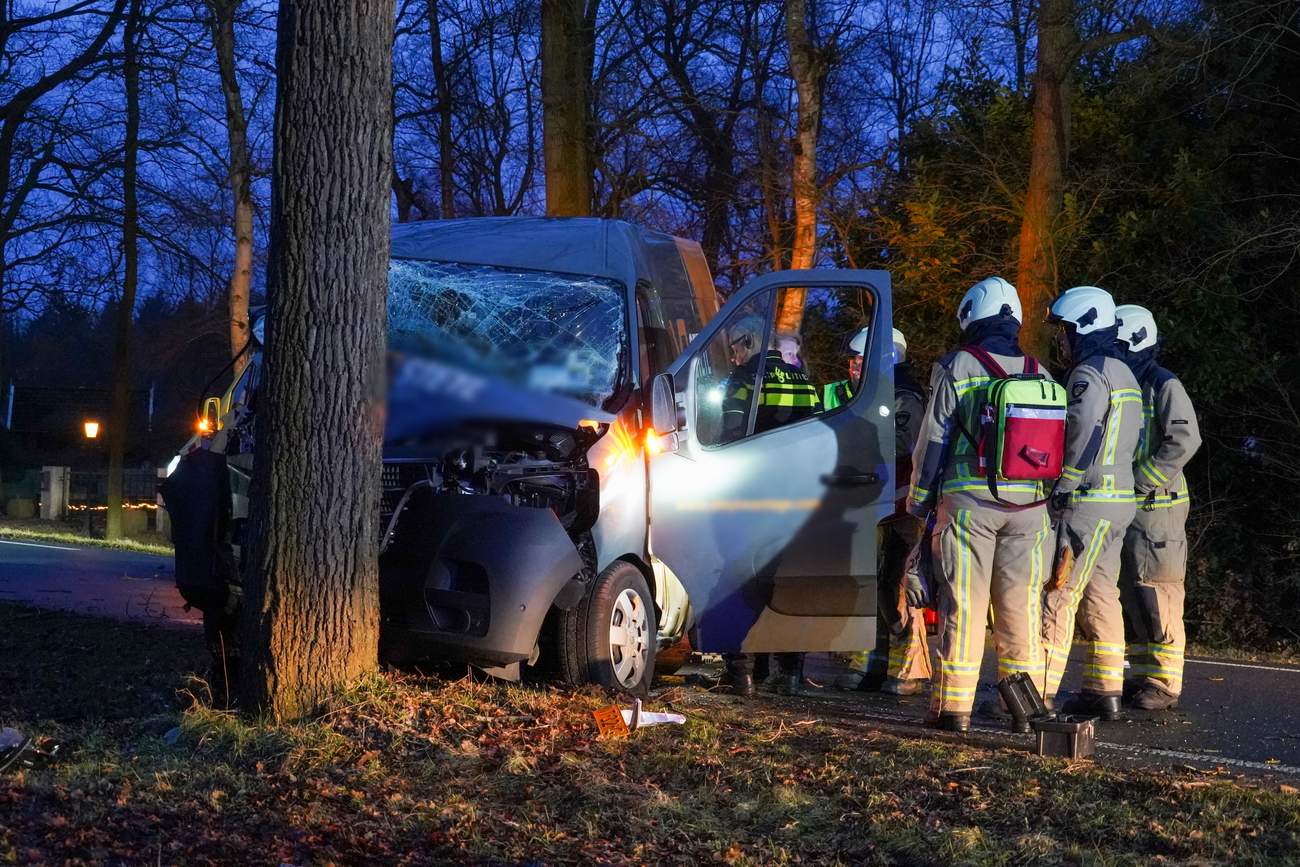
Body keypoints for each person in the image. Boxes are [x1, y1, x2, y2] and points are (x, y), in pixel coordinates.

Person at [907, 276, 1054, 733]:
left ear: (972, 314)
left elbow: (934, 438)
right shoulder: (1040, 372)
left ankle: (953, 711)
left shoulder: (959, 365)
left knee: (964, 607)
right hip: (1031, 510)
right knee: (1021, 612)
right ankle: (1025, 713)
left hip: (970, 505)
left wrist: (919, 501)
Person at [1040, 286, 1144, 721]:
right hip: (1119, 502)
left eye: (1063, 330)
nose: (1060, 340)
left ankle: (1037, 693)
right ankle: (1106, 691)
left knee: (1058, 594)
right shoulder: (1125, 372)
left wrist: (1063, 483)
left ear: (1081, 327)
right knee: (1102, 593)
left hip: (1087, 501)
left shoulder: (1088, 374)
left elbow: (1083, 430)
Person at [716, 320, 822, 696]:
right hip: (798, 496)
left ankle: (741, 673)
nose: (733, 356)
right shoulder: (804, 382)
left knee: (740, 580)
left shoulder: (745, 378)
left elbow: (729, 437)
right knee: (789, 585)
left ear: (748, 343)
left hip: (754, 495)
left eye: (735, 348)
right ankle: (790, 674)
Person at [830, 327, 932, 693]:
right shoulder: (875, 393)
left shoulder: (907, 395)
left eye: (861, 360)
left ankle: (911, 669)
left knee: (900, 585)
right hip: (877, 500)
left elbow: (904, 442)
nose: (854, 367)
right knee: (868, 581)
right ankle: (869, 663)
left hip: (904, 503)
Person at [1115, 304, 1201, 711]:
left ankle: (1165, 683)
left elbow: (1184, 442)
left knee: (1159, 593)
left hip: (1157, 505)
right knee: (1134, 593)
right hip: (1131, 503)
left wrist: (1141, 480)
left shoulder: (1164, 384)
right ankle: (1144, 675)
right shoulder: (1130, 382)